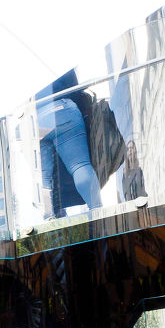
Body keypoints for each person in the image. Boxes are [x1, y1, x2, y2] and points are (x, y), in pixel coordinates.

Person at [35, 69, 102, 218]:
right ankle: (98, 211)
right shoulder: (59, 58)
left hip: (36, 121)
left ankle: (48, 218)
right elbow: (75, 89)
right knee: (79, 165)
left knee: (44, 179)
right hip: (62, 108)